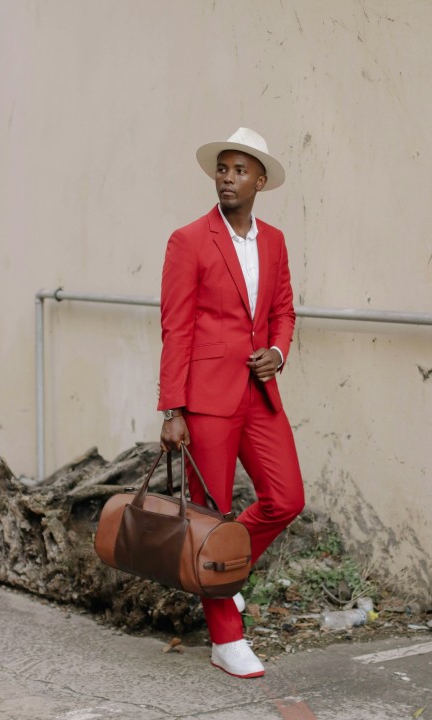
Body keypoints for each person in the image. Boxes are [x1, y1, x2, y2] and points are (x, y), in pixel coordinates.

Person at [158, 127, 305, 678]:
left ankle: (223, 569)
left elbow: (285, 309)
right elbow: (175, 328)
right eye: (222, 168)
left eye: (240, 170)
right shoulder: (189, 240)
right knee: (209, 517)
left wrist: (276, 350)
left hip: (260, 395)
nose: (227, 177)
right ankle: (225, 638)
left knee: (286, 497)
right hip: (206, 400)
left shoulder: (274, 241)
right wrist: (172, 409)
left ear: (260, 181)